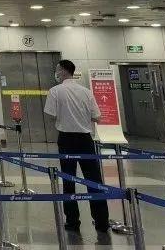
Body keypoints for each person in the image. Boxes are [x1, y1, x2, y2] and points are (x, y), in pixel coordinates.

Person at [44, 60, 109, 236]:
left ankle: (72, 221)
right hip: (86, 139)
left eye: (57, 69)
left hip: (66, 139)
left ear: (63, 71)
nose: (56, 73)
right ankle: (102, 221)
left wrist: (66, 116)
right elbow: (97, 117)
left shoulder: (55, 91)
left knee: (68, 180)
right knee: (94, 180)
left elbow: (51, 114)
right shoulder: (86, 92)